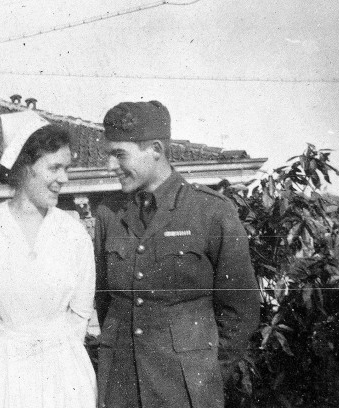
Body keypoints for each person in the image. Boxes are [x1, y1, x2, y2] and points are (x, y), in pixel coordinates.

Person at [93, 101, 260, 408]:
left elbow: (241, 310)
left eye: (120, 154)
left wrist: (204, 374)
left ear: (155, 148)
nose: (110, 166)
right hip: (122, 389)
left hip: (188, 392)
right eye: (109, 154)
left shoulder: (210, 211)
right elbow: (105, 301)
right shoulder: (109, 214)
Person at [0, 110, 97, 408]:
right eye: (55, 168)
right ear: (25, 166)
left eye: (66, 168)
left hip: (62, 377)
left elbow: (80, 313)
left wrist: (51, 349)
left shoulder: (73, 234)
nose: (63, 179)